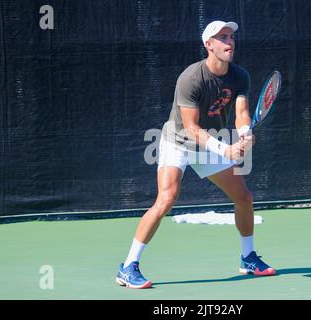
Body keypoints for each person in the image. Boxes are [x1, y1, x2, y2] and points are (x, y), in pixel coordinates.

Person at [116, 20, 275, 289]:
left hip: (209, 145)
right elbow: (191, 127)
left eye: (231, 37)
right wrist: (226, 148)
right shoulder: (191, 78)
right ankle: (128, 266)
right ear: (208, 45)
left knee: (244, 197)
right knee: (166, 199)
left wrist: (245, 132)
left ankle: (248, 257)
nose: (229, 42)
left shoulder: (240, 76)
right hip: (178, 142)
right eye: (222, 38)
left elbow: (241, 113)